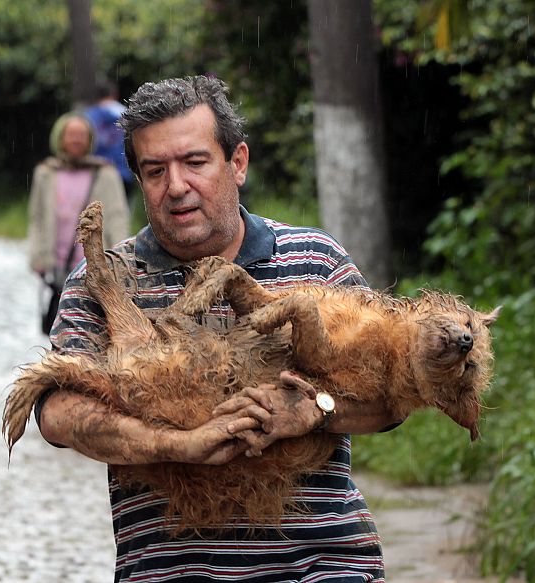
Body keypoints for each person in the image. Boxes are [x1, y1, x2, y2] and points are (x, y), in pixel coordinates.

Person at [32, 76, 402, 582]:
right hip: (169, 571)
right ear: (138, 180)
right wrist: (172, 444)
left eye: (195, 162)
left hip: (323, 567)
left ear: (238, 163)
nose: (176, 186)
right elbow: (55, 413)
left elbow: (394, 396)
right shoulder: (103, 280)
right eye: (155, 170)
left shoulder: (316, 260)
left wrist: (316, 411)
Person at [27, 112, 129, 332]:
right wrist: (37, 257)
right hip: (58, 265)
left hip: (94, 265)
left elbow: (117, 216)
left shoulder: (105, 174)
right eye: (71, 134)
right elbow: (37, 218)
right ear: (60, 138)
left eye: (81, 135)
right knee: (61, 325)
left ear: (90, 139)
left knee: (94, 324)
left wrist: (120, 258)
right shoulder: (46, 173)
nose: (76, 140)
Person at [84, 80, 136, 202]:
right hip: (123, 172)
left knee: (95, 209)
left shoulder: (88, 116)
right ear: (114, 94)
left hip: (95, 173)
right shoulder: (126, 113)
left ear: (96, 96)